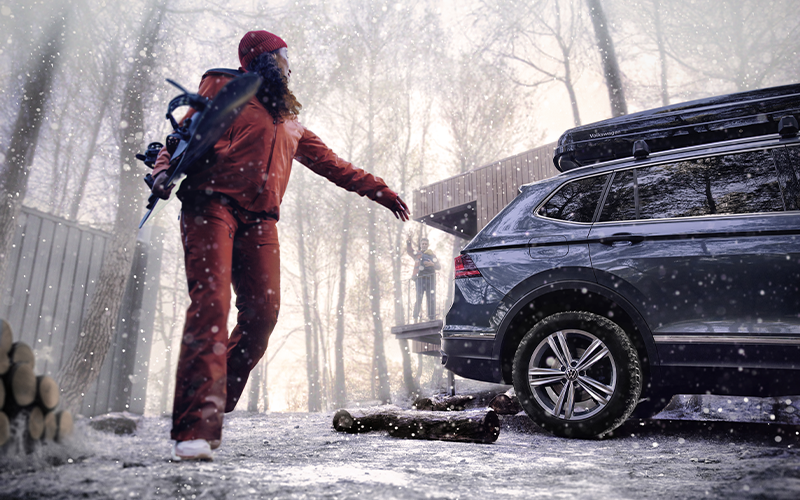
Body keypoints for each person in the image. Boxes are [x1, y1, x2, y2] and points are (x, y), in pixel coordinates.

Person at [149, 30, 410, 461]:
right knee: (211, 304)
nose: (290, 65)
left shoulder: (290, 121)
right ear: (265, 59)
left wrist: (378, 190)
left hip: (260, 222)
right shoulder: (225, 90)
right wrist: (161, 171)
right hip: (211, 205)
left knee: (263, 314)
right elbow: (179, 139)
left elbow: (335, 165)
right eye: (284, 56)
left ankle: (214, 403)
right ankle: (195, 427)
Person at [405, 236, 440, 322]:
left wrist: (432, 264)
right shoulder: (418, 254)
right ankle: (415, 317)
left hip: (430, 279)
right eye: (423, 244)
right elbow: (410, 251)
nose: (424, 245)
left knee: (431, 298)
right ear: (420, 245)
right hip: (420, 279)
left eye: (425, 244)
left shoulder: (432, 255)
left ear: (428, 245)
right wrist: (408, 242)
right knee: (419, 298)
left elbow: (439, 267)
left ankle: (431, 317)